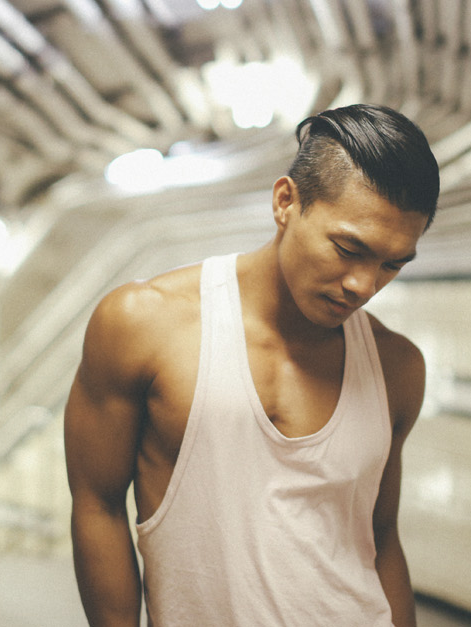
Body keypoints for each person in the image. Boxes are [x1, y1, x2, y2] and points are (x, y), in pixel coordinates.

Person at [63, 103, 440, 627]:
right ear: (286, 202)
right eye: (348, 247)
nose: (364, 284)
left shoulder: (397, 367)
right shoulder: (143, 324)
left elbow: (379, 538)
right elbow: (97, 507)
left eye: (392, 263)